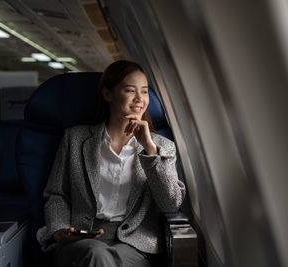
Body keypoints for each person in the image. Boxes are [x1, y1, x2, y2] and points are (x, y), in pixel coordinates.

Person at [36, 60, 186, 267]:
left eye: (144, 92)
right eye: (130, 90)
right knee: (96, 254)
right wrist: (59, 230)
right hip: (82, 240)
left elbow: (171, 203)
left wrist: (150, 151)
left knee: (102, 259)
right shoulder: (75, 138)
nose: (139, 99)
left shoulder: (161, 147)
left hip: (134, 244)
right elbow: (56, 195)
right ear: (108, 94)